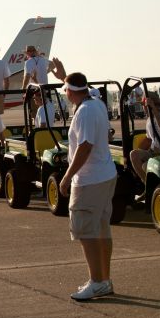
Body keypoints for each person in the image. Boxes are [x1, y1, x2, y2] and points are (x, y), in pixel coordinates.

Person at [58, 72, 117, 301]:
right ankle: (104, 280)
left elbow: (84, 147)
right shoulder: (97, 104)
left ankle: (97, 281)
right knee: (102, 229)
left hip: (89, 180)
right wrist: (63, 73)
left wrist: (66, 177)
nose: (65, 94)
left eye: (65, 90)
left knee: (86, 231)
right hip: (105, 175)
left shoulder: (84, 112)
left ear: (70, 92)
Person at [129, 93, 160, 184]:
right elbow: (149, 139)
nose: (143, 108)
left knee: (145, 166)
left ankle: (152, 187)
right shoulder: (149, 120)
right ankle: (146, 186)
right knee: (134, 154)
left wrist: (153, 109)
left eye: (144, 105)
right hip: (154, 152)